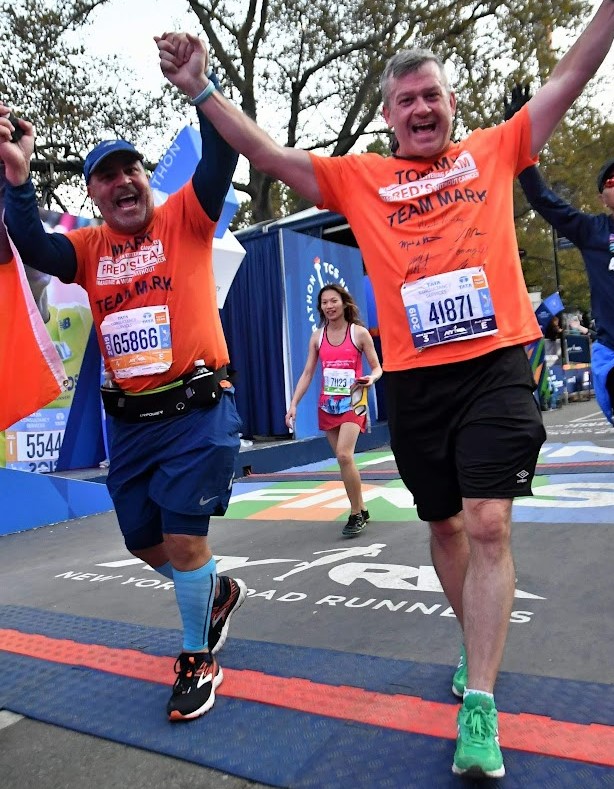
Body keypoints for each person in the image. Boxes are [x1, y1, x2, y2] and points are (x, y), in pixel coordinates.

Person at [165, 4, 614, 776]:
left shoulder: (495, 149)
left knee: (486, 523)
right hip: (416, 384)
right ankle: (476, 648)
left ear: (450, 104)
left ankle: (480, 701)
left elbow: (572, 74)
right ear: (388, 116)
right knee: (443, 529)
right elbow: (268, 155)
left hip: (495, 368)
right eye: (406, 100)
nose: (422, 108)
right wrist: (203, 90)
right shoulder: (360, 178)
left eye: (432, 94)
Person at [0, 34, 248, 723]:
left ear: (145, 176)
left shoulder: (187, 217)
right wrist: (18, 182)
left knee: (186, 534)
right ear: (94, 194)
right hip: (131, 424)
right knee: (144, 538)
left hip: (198, 411)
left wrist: (200, 90)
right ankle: (210, 590)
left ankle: (198, 655)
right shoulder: (87, 246)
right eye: (106, 177)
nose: (122, 183)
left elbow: (223, 155)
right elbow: (33, 246)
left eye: (129, 169)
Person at [518, 156, 614, 422]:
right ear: (602, 199)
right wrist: (521, 146)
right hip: (611, 352)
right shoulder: (593, 231)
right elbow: (543, 199)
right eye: (613, 182)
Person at [285, 284, 382, 537]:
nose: (329, 306)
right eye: (324, 303)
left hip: (354, 400)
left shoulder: (359, 333)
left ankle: (355, 514)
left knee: (344, 455)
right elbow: (308, 373)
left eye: (333, 301)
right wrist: (294, 404)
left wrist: (370, 379)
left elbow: (377, 367)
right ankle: (361, 506)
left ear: (344, 303)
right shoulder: (317, 337)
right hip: (328, 404)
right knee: (343, 460)